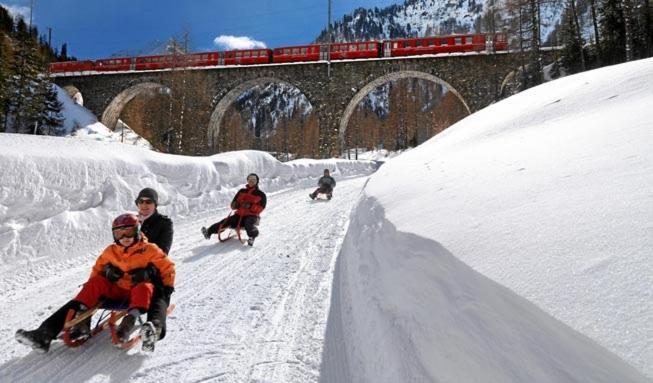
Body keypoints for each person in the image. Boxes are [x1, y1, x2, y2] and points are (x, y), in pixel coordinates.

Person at [15, 213, 176, 353]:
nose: (125, 238)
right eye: (120, 233)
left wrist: (167, 290)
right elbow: (96, 271)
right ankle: (44, 334)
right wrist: (107, 274)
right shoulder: (110, 251)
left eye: (129, 232)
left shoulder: (150, 249)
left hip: (137, 296)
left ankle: (128, 323)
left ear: (138, 231)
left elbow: (167, 268)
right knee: (95, 282)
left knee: (144, 286)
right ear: (114, 235)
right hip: (116, 292)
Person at [134, 188, 174, 343]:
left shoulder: (164, 223)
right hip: (127, 267)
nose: (144, 205)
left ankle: (154, 327)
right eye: (141, 201)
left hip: (153, 268)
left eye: (148, 201)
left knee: (160, 289)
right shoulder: (131, 221)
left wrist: (147, 269)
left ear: (155, 204)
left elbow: (163, 251)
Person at [201, 173, 266, 246]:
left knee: (248, 223)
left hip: (252, 216)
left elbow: (261, 208)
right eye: (250, 180)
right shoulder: (242, 191)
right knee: (226, 221)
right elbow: (233, 204)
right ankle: (209, 232)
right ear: (247, 180)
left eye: (254, 180)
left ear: (257, 181)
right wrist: (235, 205)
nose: (251, 181)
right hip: (239, 214)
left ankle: (252, 236)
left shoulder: (261, 194)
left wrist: (250, 206)